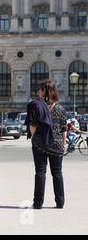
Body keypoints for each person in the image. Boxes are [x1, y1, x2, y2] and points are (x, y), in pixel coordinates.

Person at [25, 80, 67, 209]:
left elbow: (32, 126)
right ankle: (60, 202)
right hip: (57, 144)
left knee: (40, 173)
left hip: (40, 144)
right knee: (57, 173)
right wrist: (63, 144)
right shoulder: (60, 108)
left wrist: (33, 136)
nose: (38, 91)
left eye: (40, 89)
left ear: (44, 91)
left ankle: (38, 203)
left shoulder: (37, 106)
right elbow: (64, 128)